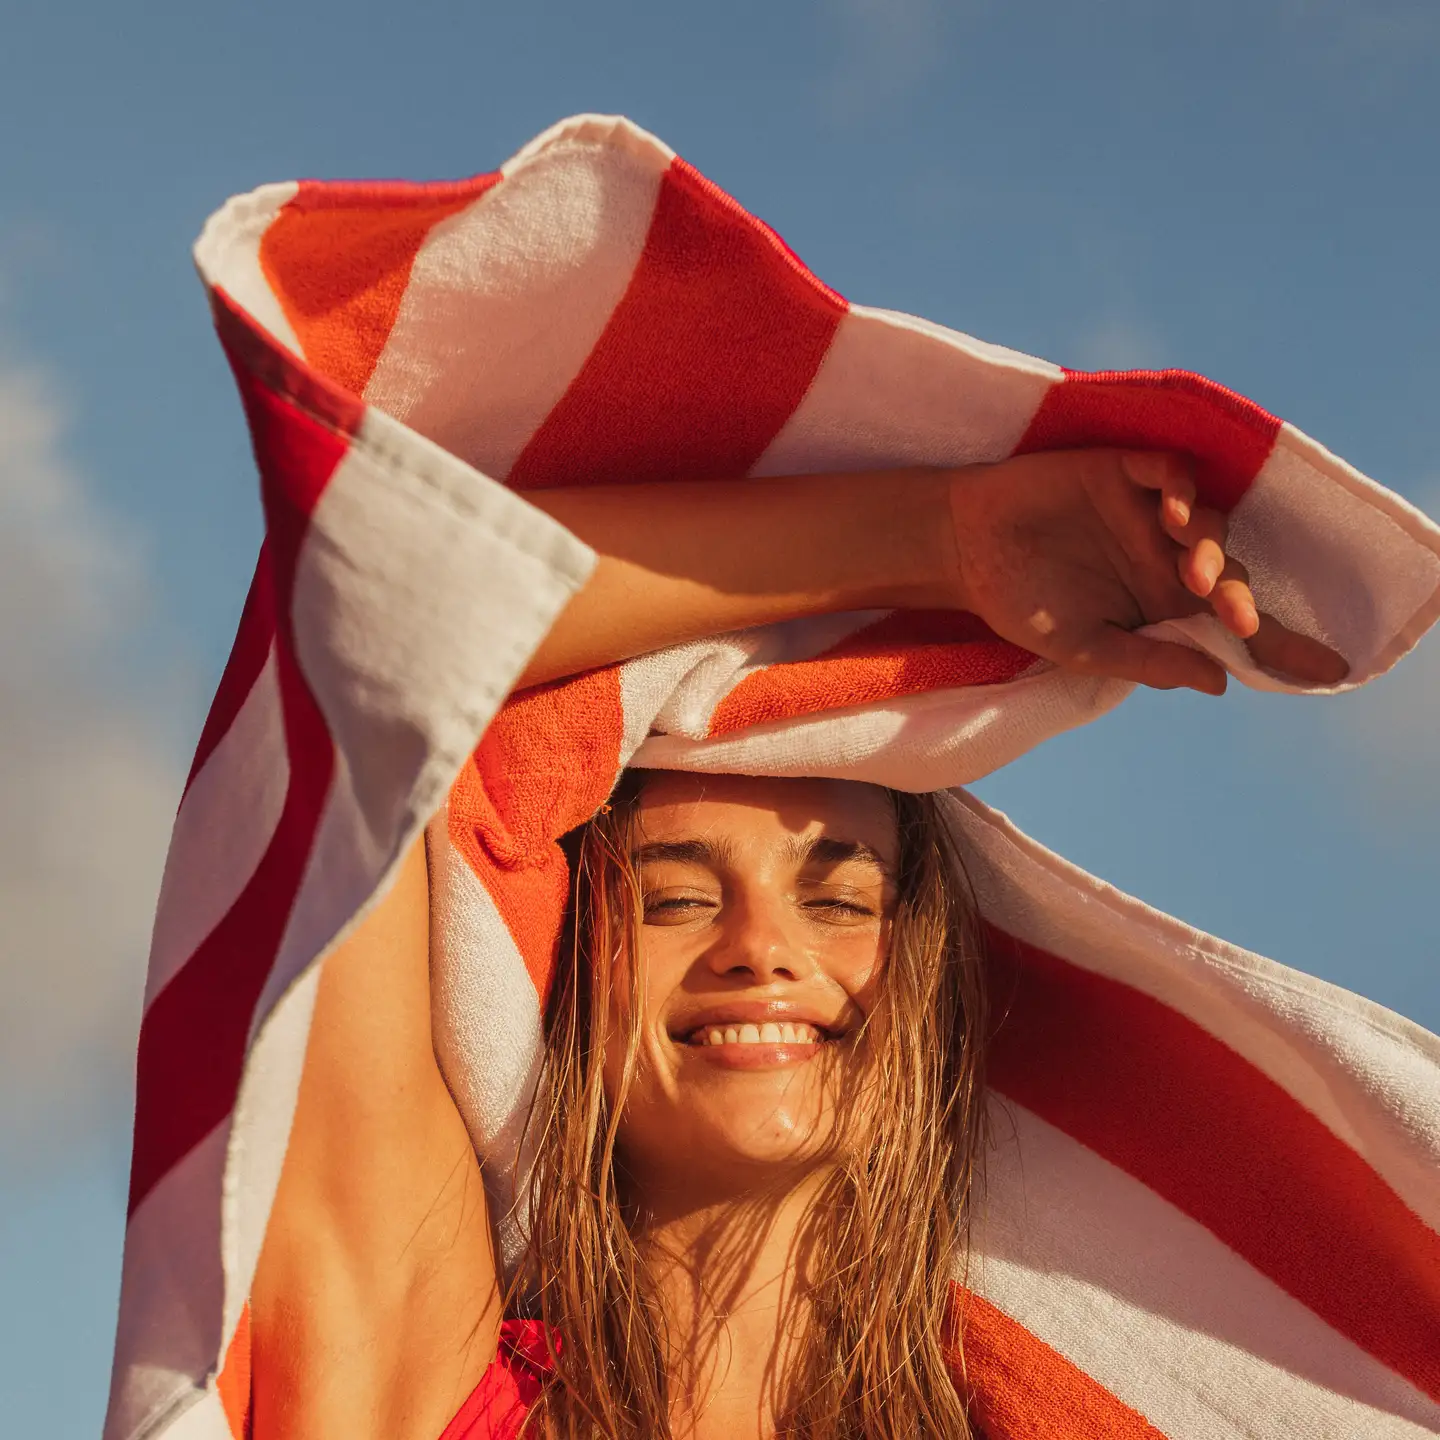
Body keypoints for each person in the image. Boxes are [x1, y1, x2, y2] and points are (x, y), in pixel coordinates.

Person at [247, 451, 1346, 1440]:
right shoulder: (429, 1396)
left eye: (838, 903)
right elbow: (367, 615)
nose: (761, 949)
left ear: (925, 987)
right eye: (674, 900)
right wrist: (944, 541)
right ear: (573, 974)